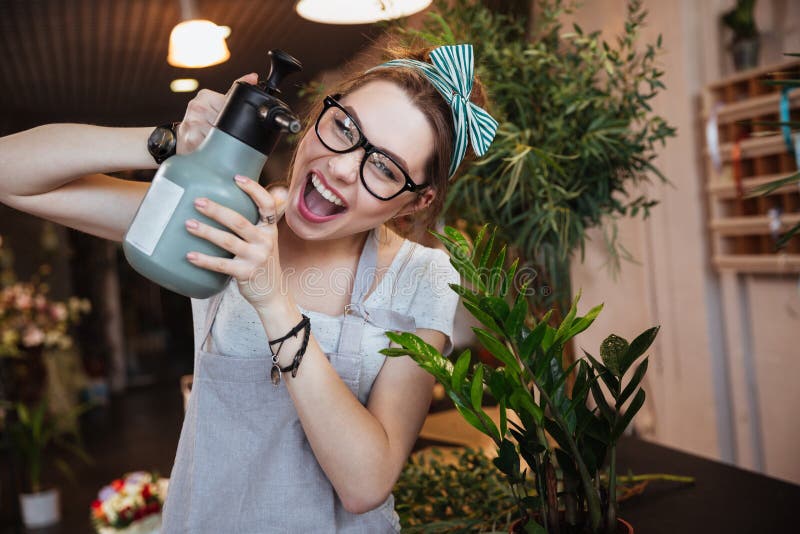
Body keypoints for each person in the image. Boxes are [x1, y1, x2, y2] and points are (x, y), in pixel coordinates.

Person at [0, 43, 497, 532]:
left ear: (414, 202)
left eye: (385, 168)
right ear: (317, 116)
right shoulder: (222, 218)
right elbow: (11, 174)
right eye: (345, 127)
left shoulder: (423, 277)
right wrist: (173, 142)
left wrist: (273, 300)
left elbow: (365, 485)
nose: (344, 167)